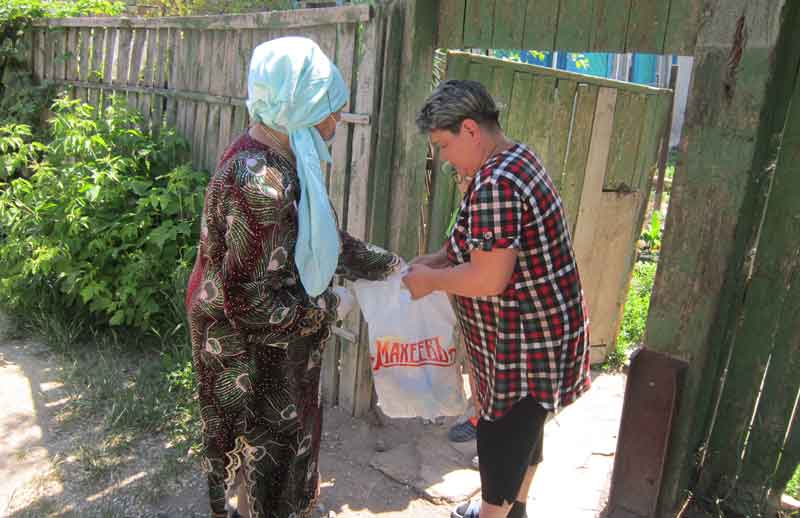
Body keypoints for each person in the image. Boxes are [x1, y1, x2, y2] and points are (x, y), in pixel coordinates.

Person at [185, 37, 400, 518]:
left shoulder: (283, 156)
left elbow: (318, 238)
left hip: (274, 337)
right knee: (265, 455)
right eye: (329, 109)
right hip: (247, 347)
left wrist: (388, 266)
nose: (336, 122)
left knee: (278, 449)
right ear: (297, 103)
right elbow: (253, 305)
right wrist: (328, 306)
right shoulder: (258, 181)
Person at [403, 80, 591, 518]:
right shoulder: (513, 158)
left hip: (523, 342)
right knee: (526, 432)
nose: (444, 157)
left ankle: (495, 511)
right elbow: (476, 242)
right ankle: (516, 509)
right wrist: (436, 260)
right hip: (544, 328)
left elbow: (488, 279)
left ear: (470, 129)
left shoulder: (497, 184)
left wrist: (431, 282)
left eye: (443, 145)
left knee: (503, 439)